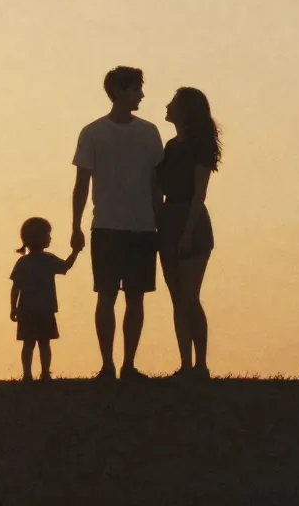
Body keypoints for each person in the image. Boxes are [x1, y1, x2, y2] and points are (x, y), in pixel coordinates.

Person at [71, 66, 165, 380]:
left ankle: (128, 364)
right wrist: (76, 225)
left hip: (143, 226)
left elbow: (155, 182)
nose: (141, 95)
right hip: (107, 226)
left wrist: (160, 221)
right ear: (118, 91)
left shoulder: (149, 132)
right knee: (106, 295)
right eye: (135, 89)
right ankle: (108, 365)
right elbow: (81, 183)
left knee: (136, 296)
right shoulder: (92, 132)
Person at [158, 87, 222, 380]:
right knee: (177, 298)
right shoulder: (170, 146)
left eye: (173, 102)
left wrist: (187, 233)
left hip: (191, 221)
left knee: (190, 297)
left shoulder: (199, 146)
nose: (167, 106)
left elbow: (199, 194)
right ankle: (185, 364)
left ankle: (201, 364)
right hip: (169, 218)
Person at [9, 217, 82, 382]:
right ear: (39, 237)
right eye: (48, 234)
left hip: (28, 310)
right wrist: (75, 252)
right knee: (43, 343)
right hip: (44, 309)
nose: (50, 237)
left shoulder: (24, 262)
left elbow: (16, 287)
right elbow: (66, 266)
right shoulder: (47, 259)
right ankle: (43, 374)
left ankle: (30, 375)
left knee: (30, 343)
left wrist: (13, 307)